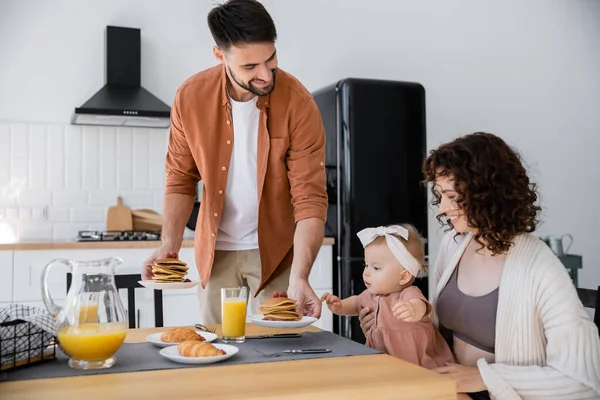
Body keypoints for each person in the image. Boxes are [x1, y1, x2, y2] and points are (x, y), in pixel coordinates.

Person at [358, 132, 600, 399]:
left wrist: (486, 377)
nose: (442, 209)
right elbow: (432, 332)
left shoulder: (540, 267)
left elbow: (583, 381)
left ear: (485, 195)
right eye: (441, 196)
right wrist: (387, 325)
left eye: (452, 197)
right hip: (444, 389)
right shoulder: (454, 245)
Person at [141, 0, 328, 324]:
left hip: (277, 255)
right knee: (218, 351)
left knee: (277, 355)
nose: (265, 74)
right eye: (250, 66)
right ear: (220, 56)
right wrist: (167, 246)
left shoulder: (298, 103)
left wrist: (300, 276)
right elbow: (180, 179)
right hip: (215, 255)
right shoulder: (190, 98)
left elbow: (309, 199)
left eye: (271, 60)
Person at [321, 224, 455, 370]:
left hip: (417, 362)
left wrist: (412, 309)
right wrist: (340, 306)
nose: (366, 272)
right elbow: (355, 303)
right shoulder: (371, 295)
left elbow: (420, 304)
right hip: (385, 363)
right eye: (366, 265)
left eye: (376, 268)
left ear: (403, 276)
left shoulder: (408, 293)